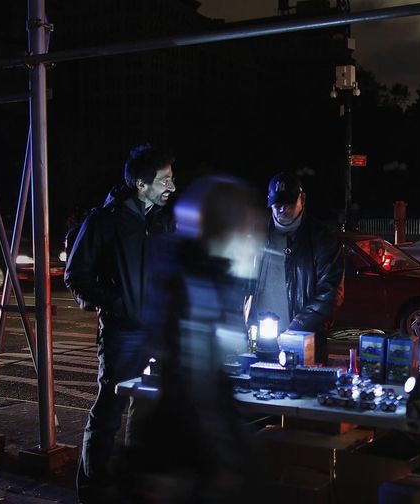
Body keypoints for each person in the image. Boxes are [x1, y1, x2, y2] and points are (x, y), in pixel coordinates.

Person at [118, 175, 266, 503]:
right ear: (224, 230)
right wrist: (222, 458)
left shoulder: (200, 277)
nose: (254, 238)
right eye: (246, 227)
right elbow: (194, 385)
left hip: (187, 451)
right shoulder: (196, 289)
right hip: (185, 456)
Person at [64, 144, 176, 503]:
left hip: (156, 333)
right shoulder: (104, 221)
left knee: (145, 411)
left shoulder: (163, 220)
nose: (172, 186)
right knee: (109, 411)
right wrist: (118, 304)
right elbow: (76, 274)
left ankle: (132, 482)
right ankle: (92, 488)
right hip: (121, 333)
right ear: (141, 184)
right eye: (165, 179)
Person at [248, 171, 345, 364]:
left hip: (302, 345)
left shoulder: (321, 238)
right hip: (259, 344)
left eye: (289, 204)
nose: (283, 210)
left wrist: (296, 328)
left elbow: (331, 293)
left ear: (302, 199)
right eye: (277, 205)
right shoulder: (255, 235)